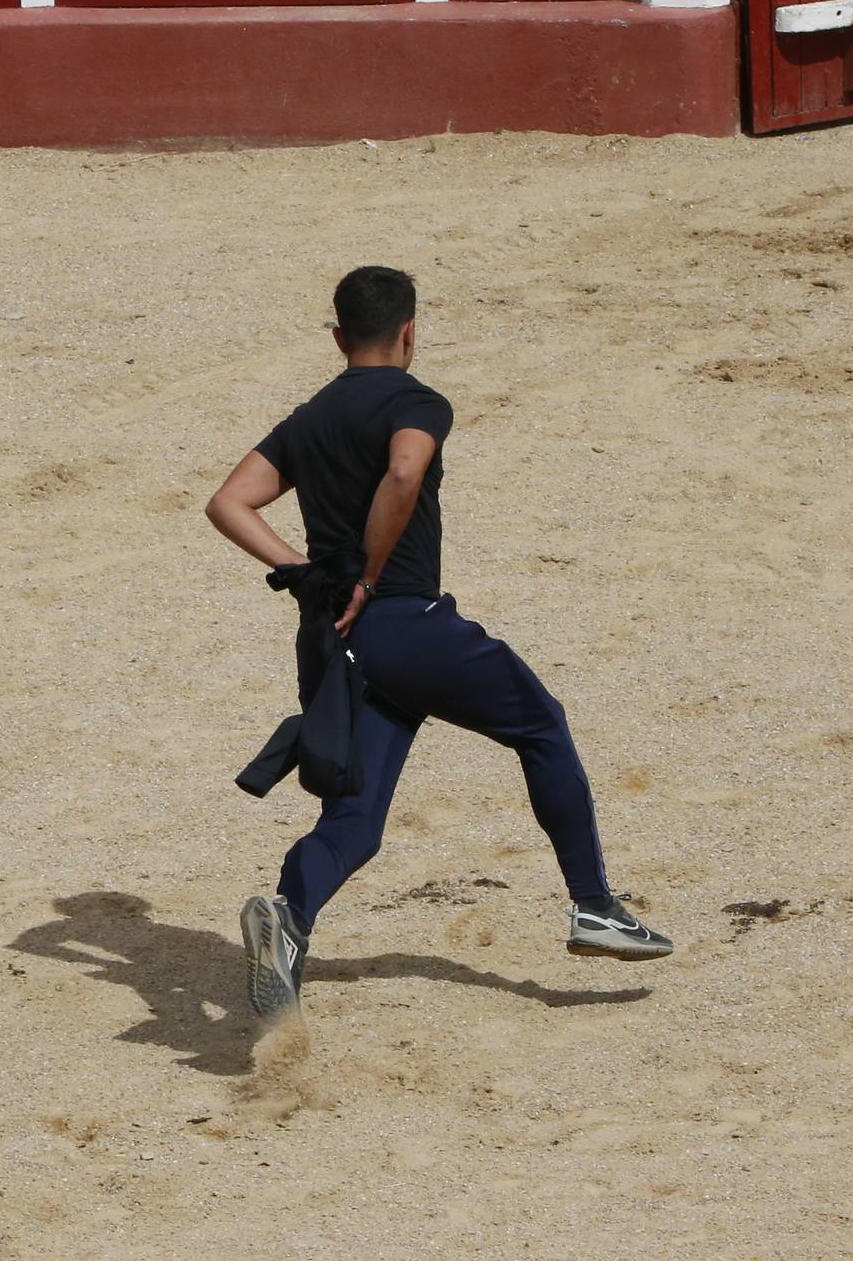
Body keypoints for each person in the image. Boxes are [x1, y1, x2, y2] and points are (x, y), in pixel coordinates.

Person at [204, 265, 672, 1031]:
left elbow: (228, 502)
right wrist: (368, 576)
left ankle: (286, 916)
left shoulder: (309, 418)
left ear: (337, 336)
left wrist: (306, 571)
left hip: (337, 642)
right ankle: (595, 906)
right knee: (541, 724)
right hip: (401, 623)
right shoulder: (415, 402)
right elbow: (405, 468)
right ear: (410, 332)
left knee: (356, 822)